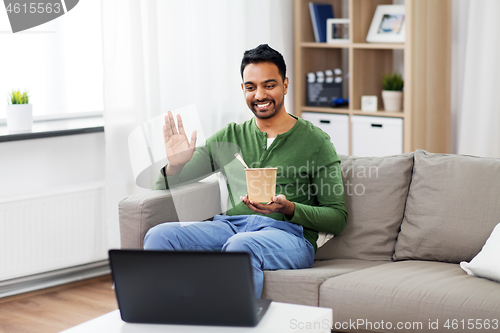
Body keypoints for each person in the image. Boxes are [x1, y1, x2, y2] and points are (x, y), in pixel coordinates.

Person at [144, 44, 347, 298]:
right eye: (251, 87)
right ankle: (164, 320)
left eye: (269, 85)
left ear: (285, 85)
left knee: (241, 246)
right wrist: (176, 164)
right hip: (230, 227)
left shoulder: (316, 141)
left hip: (289, 236)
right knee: (159, 236)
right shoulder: (230, 136)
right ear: (243, 90)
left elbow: (338, 218)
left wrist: (290, 208)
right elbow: (161, 186)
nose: (259, 95)